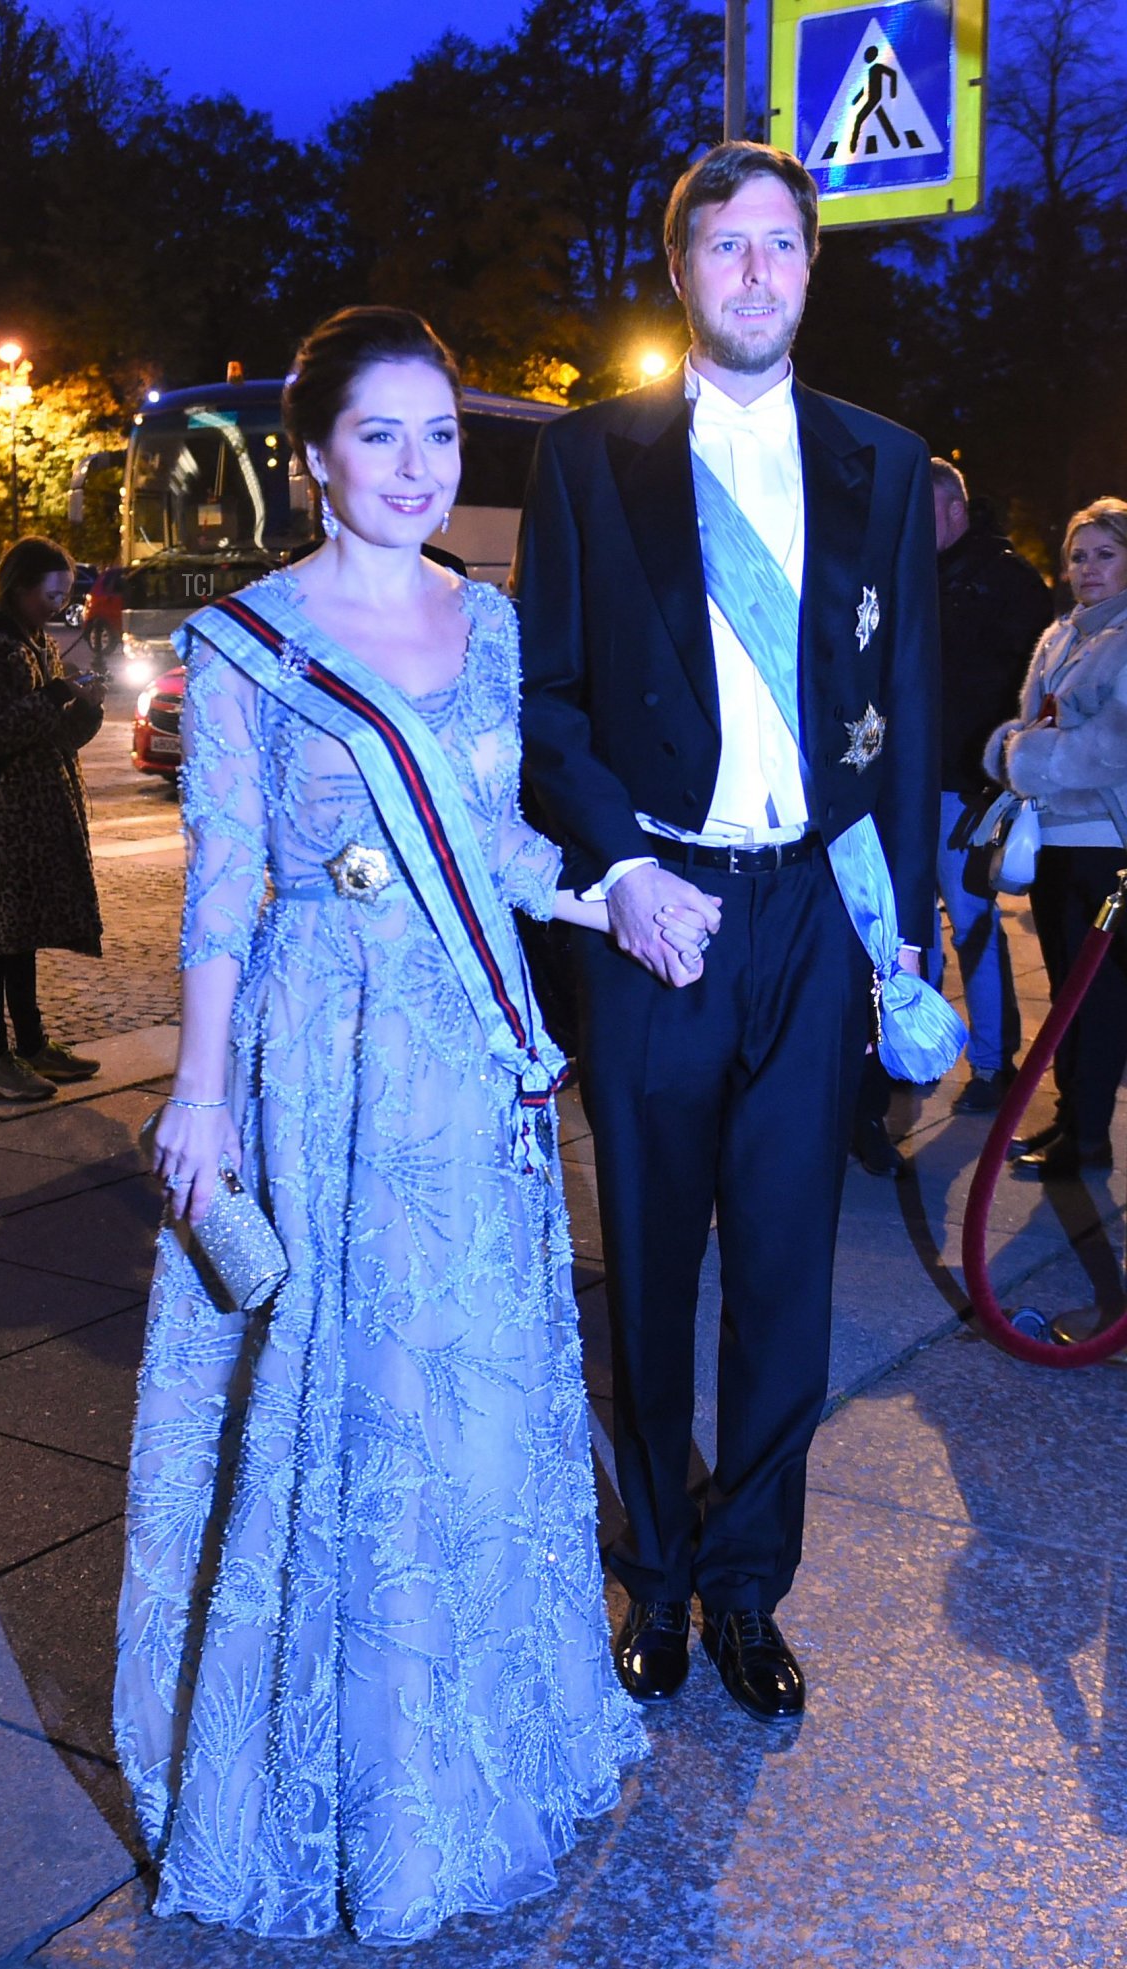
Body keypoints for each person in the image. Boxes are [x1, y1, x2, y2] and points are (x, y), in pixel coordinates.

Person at [114, 307, 651, 1945]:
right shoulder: (245, 640)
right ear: (316, 455)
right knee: (339, 1406)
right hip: (318, 1051)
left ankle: (476, 1748)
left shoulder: (487, 625)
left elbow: (491, 848)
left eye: (442, 436)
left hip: (464, 1060)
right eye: (382, 435)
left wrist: (609, 889)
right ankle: (339, 1786)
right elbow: (220, 884)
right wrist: (201, 1092)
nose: (420, 466)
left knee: (468, 1406)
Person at [515, 141, 940, 1725]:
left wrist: (912, 945)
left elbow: (905, 716)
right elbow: (546, 695)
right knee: (650, 1264)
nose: (755, 275)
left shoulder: (884, 462)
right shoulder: (588, 460)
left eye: (781, 247)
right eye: (725, 250)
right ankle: (663, 1575)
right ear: (682, 272)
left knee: (787, 1273)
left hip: (819, 916)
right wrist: (620, 867)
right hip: (656, 913)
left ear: (811, 267)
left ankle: (751, 1584)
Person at [985, 495, 1127, 1177]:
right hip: (1054, 836)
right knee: (1066, 985)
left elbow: (1115, 742)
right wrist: (1012, 746)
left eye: (1105, 554)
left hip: (1108, 840)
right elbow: (1032, 722)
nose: (1088, 568)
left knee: (1097, 995)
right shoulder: (1062, 633)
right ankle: (1073, 1116)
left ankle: (1091, 1136)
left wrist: (1028, 757)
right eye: (1078, 556)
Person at [0, 539, 104, 1102]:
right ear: (18, 586)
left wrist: (86, 711)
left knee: (24, 933)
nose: (61, 605)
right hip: (9, 810)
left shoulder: (35, 641)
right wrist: (57, 694)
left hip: (42, 808)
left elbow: (52, 737)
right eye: (52, 593)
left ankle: (33, 1044)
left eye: (66, 594)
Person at [932, 458, 1053, 1112]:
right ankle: (911, 1046)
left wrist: (1003, 772)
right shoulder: (919, 573)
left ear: (953, 505)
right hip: (917, 781)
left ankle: (990, 1062)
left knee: (972, 923)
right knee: (907, 928)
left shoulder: (1004, 579)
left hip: (966, 786)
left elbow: (1032, 686)